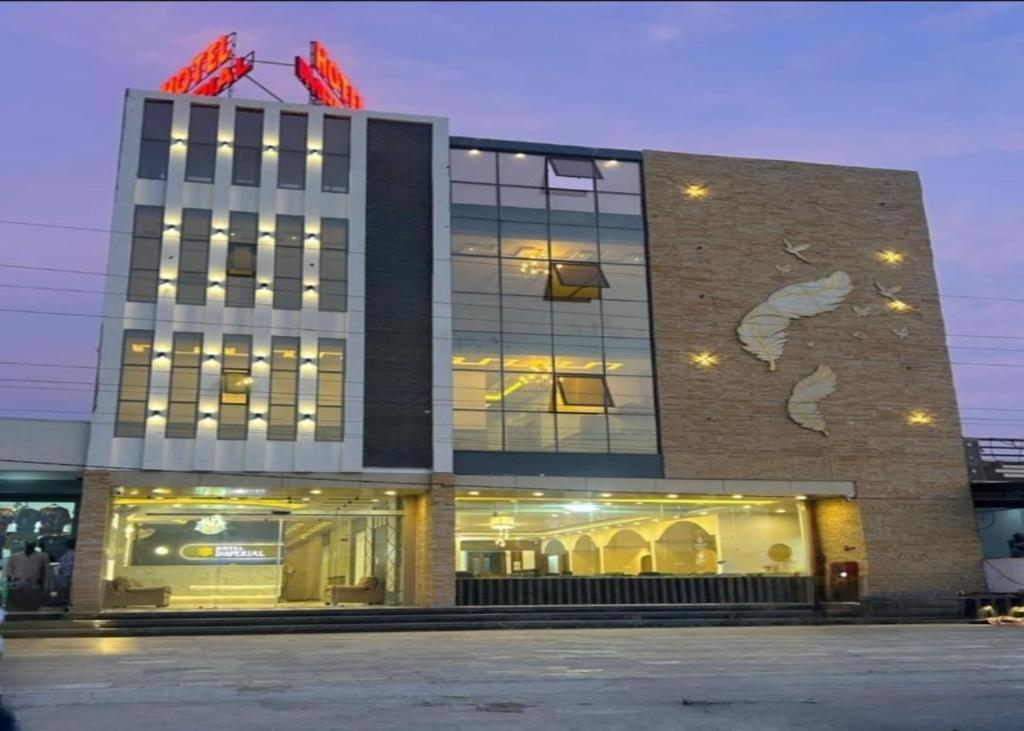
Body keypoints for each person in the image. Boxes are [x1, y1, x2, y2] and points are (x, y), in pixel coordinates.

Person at [3, 541, 51, 611]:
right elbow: (8, 572)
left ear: (35, 546)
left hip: (34, 584)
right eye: (28, 544)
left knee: (33, 606)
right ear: (25, 545)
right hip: (18, 584)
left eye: (32, 544)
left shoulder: (43, 556)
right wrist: (9, 587)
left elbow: (46, 572)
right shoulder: (15, 556)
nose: (30, 546)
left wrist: (45, 586)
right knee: (18, 606)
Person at [56, 537, 76, 606]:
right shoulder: (67, 553)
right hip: (65, 574)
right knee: (64, 589)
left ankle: (67, 603)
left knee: (66, 589)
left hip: (69, 574)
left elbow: (69, 564)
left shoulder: (73, 553)